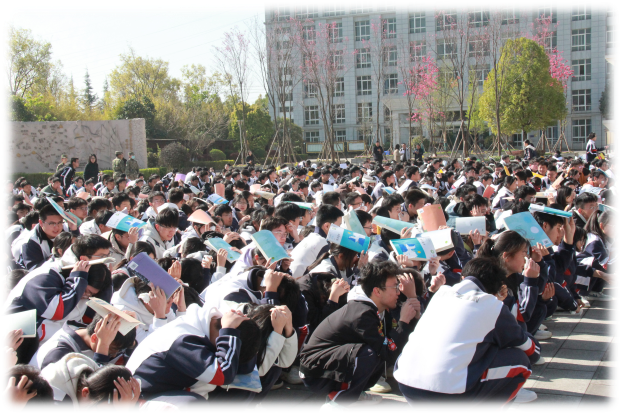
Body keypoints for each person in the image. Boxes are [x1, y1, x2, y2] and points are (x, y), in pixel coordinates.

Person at [395, 258, 541, 412]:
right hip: (446, 394)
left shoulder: (442, 293)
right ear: (497, 290)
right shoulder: (492, 304)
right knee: (520, 360)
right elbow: (531, 350)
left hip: (407, 386)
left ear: (463, 277)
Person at [299, 261, 421, 412]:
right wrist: (402, 322)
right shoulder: (361, 313)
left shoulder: (374, 307)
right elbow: (388, 350)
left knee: (375, 352)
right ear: (377, 291)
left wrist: (412, 300)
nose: (398, 292)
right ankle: (335, 403)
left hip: (328, 363)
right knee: (369, 353)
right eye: (395, 287)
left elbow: (398, 342)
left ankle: (353, 394)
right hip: (314, 370)